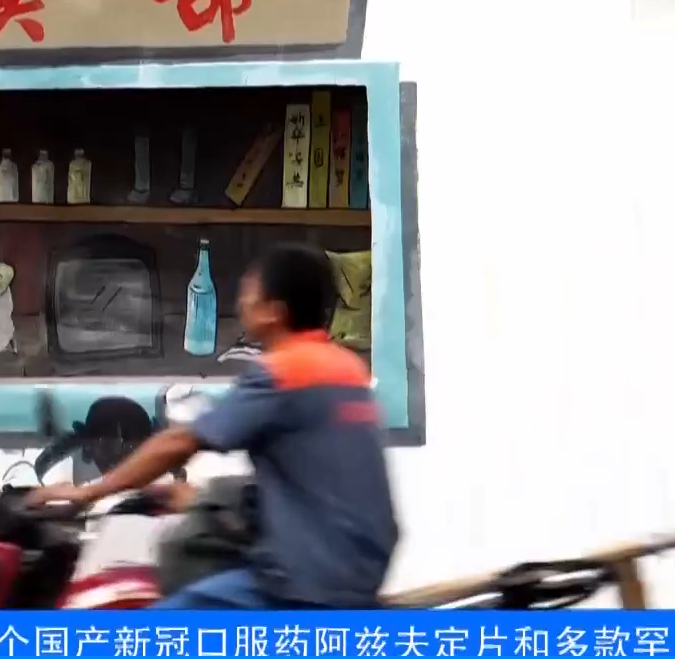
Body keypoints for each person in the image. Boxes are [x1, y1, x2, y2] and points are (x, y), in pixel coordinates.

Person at [27, 242, 399, 609]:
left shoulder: (283, 372)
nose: (241, 302)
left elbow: (180, 442)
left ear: (274, 312)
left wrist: (88, 493)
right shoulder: (346, 369)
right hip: (360, 569)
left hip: (306, 579)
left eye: (249, 293)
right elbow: (312, 475)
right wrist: (195, 496)